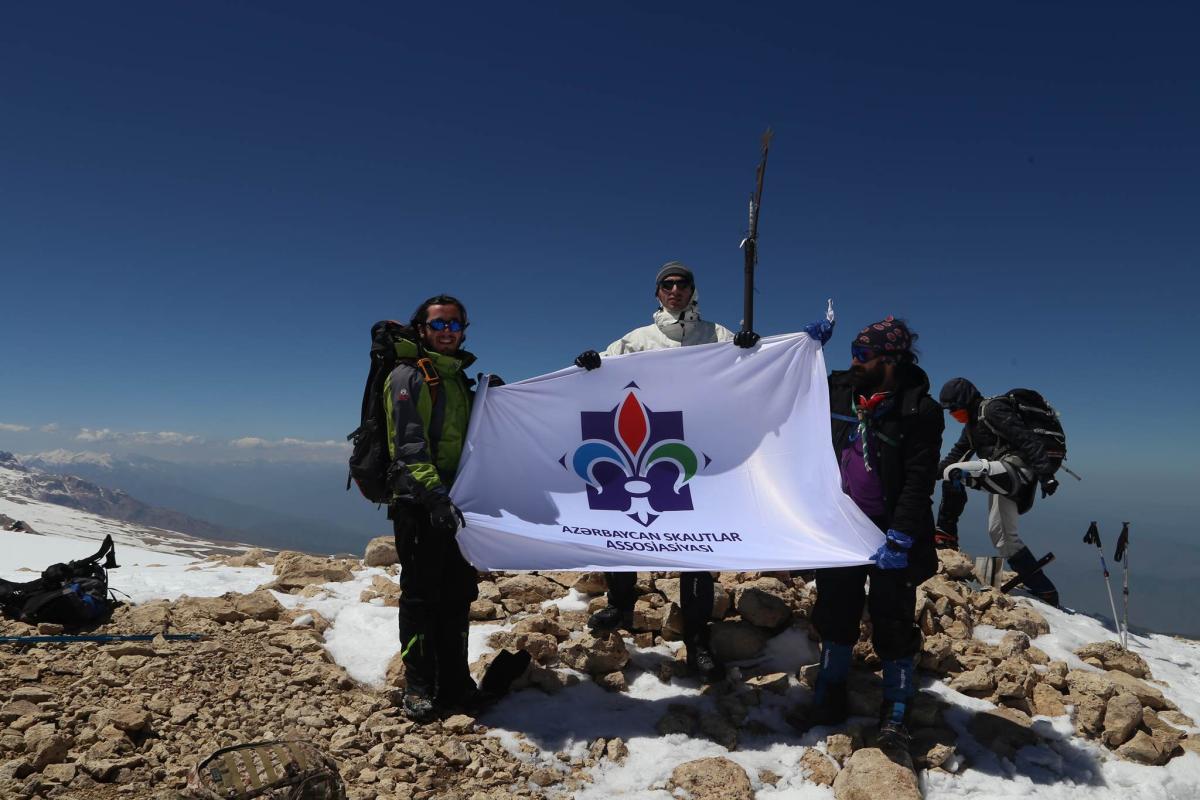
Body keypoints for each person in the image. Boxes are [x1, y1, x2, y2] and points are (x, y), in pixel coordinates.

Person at [572, 260, 754, 682]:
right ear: (658, 293)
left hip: (698, 447)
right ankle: (620, 602)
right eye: (666, 284)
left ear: (693, 290)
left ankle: (696, 639)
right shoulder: (639, 339)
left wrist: (751, 349)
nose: (675, 289)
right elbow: (604, 363)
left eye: (682, 283)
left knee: (696, 547)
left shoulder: (716, 335)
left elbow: (748, 369)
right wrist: (588, 364)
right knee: (620, 522)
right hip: (647, 441)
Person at [810, 316, 943, 765]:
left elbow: (919, 478)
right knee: (835, 608)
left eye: (863, 354)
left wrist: (902, 535)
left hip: (892, 529)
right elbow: (789, 387)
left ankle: (897, 708)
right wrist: (804, 348)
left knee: (892, 616)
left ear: (890, 360)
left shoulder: (920, 409)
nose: (854, 360)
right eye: (853, 351)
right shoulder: (839, 390)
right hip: (842, 526)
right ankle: (830, 691)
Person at [385, 294, 480, 722]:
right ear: (421, 330)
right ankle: (419, 686)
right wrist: (434, 496)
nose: (447, 332)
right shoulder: (408, 376)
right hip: (419, 505)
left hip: (454, 506)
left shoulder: (460, 379)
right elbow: (407, 445)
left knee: (458, 594)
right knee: (421, 598)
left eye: (455, 325)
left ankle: (456, 681)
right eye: (438, 325)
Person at [934, 377, 1060, 606]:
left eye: (954, 407)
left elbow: (1027, 439)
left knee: (955, 473)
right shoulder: (971, 427)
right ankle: (1045, 591)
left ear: (965, 400)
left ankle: (945, 535)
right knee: (1001, 537)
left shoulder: (991, 410)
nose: (952, 413)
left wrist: (1046, 475)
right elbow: (956, 456)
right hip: (1000, 473)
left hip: (1017, 470)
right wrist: (924, 475)